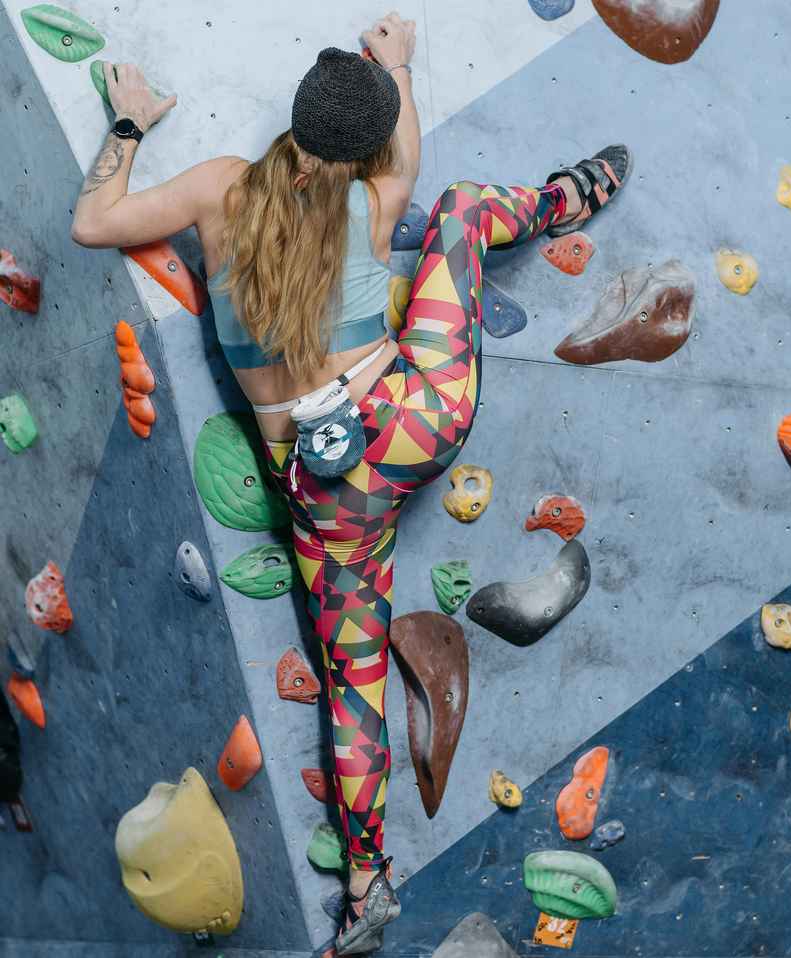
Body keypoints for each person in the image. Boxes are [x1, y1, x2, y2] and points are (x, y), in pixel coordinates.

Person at [71, 12, 630, 953]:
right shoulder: (380, 196)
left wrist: (127, 121)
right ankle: (568, 201)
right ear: (362, 149)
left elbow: (92, 221)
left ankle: (368, 889)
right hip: (414, 417)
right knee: (459, 212)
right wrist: (400, 68)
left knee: (353, 684)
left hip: (330, 492)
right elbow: (404, 142)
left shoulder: (218, 190)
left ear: (291, 125)